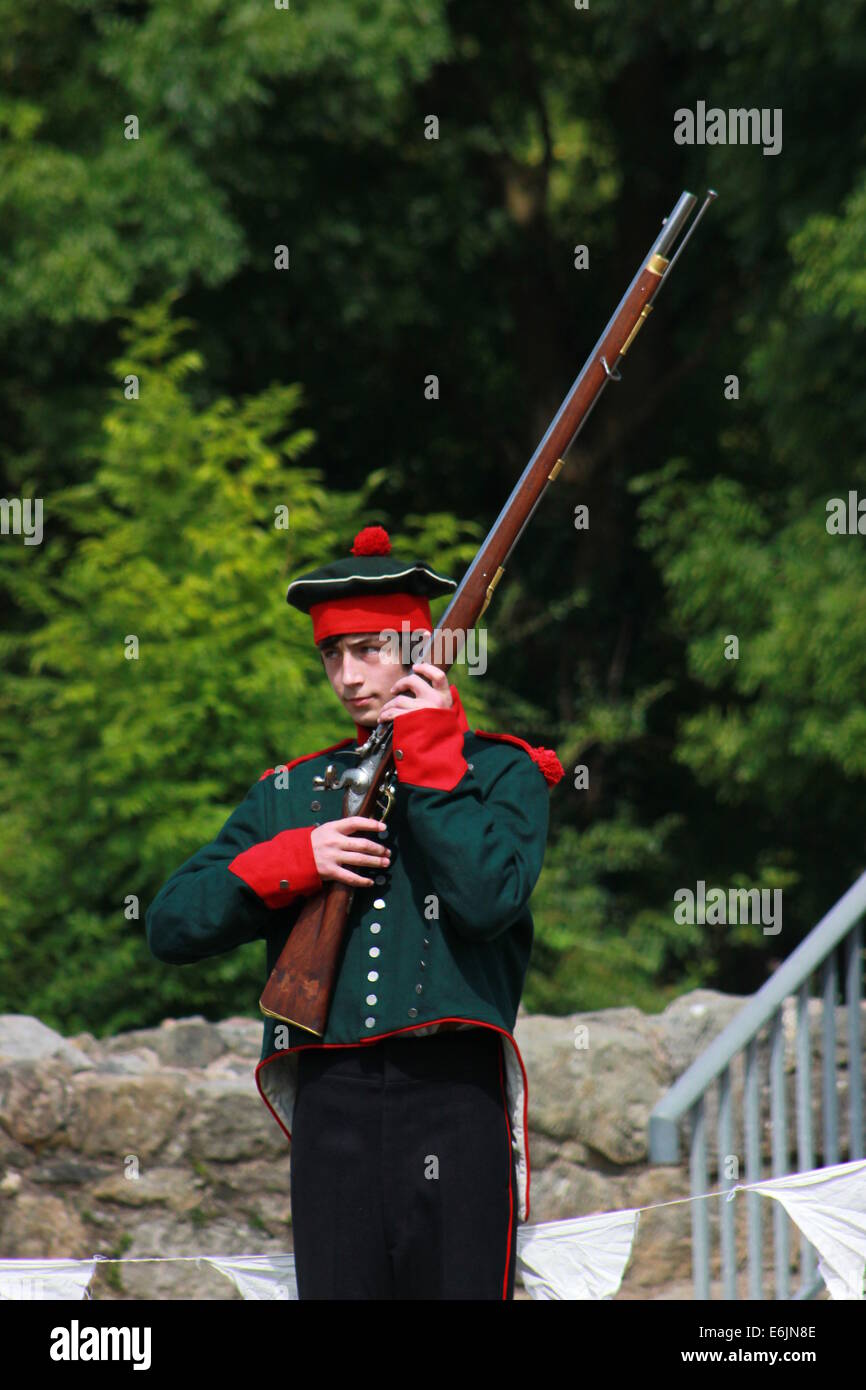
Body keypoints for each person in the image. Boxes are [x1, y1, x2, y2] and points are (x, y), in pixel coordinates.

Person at [146, 524, 563, 1299]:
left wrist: (435, 757)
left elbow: (485, 899)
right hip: (331, 1105)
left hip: (453, 1095)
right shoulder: (290, 792)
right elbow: (170, 924)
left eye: (368, 649)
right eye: (332, 655)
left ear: (418, 649)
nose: (346, 675)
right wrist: (292, 861)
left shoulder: (501, 771)